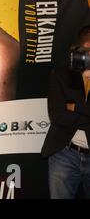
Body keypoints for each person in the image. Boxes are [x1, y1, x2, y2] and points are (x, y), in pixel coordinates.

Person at [41, 25, 90, 199]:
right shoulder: (61, 74)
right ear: (78, 48)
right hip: (64, 154)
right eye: (86, 48)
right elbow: (57, 115)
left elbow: (67, 112)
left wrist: (75, 107)